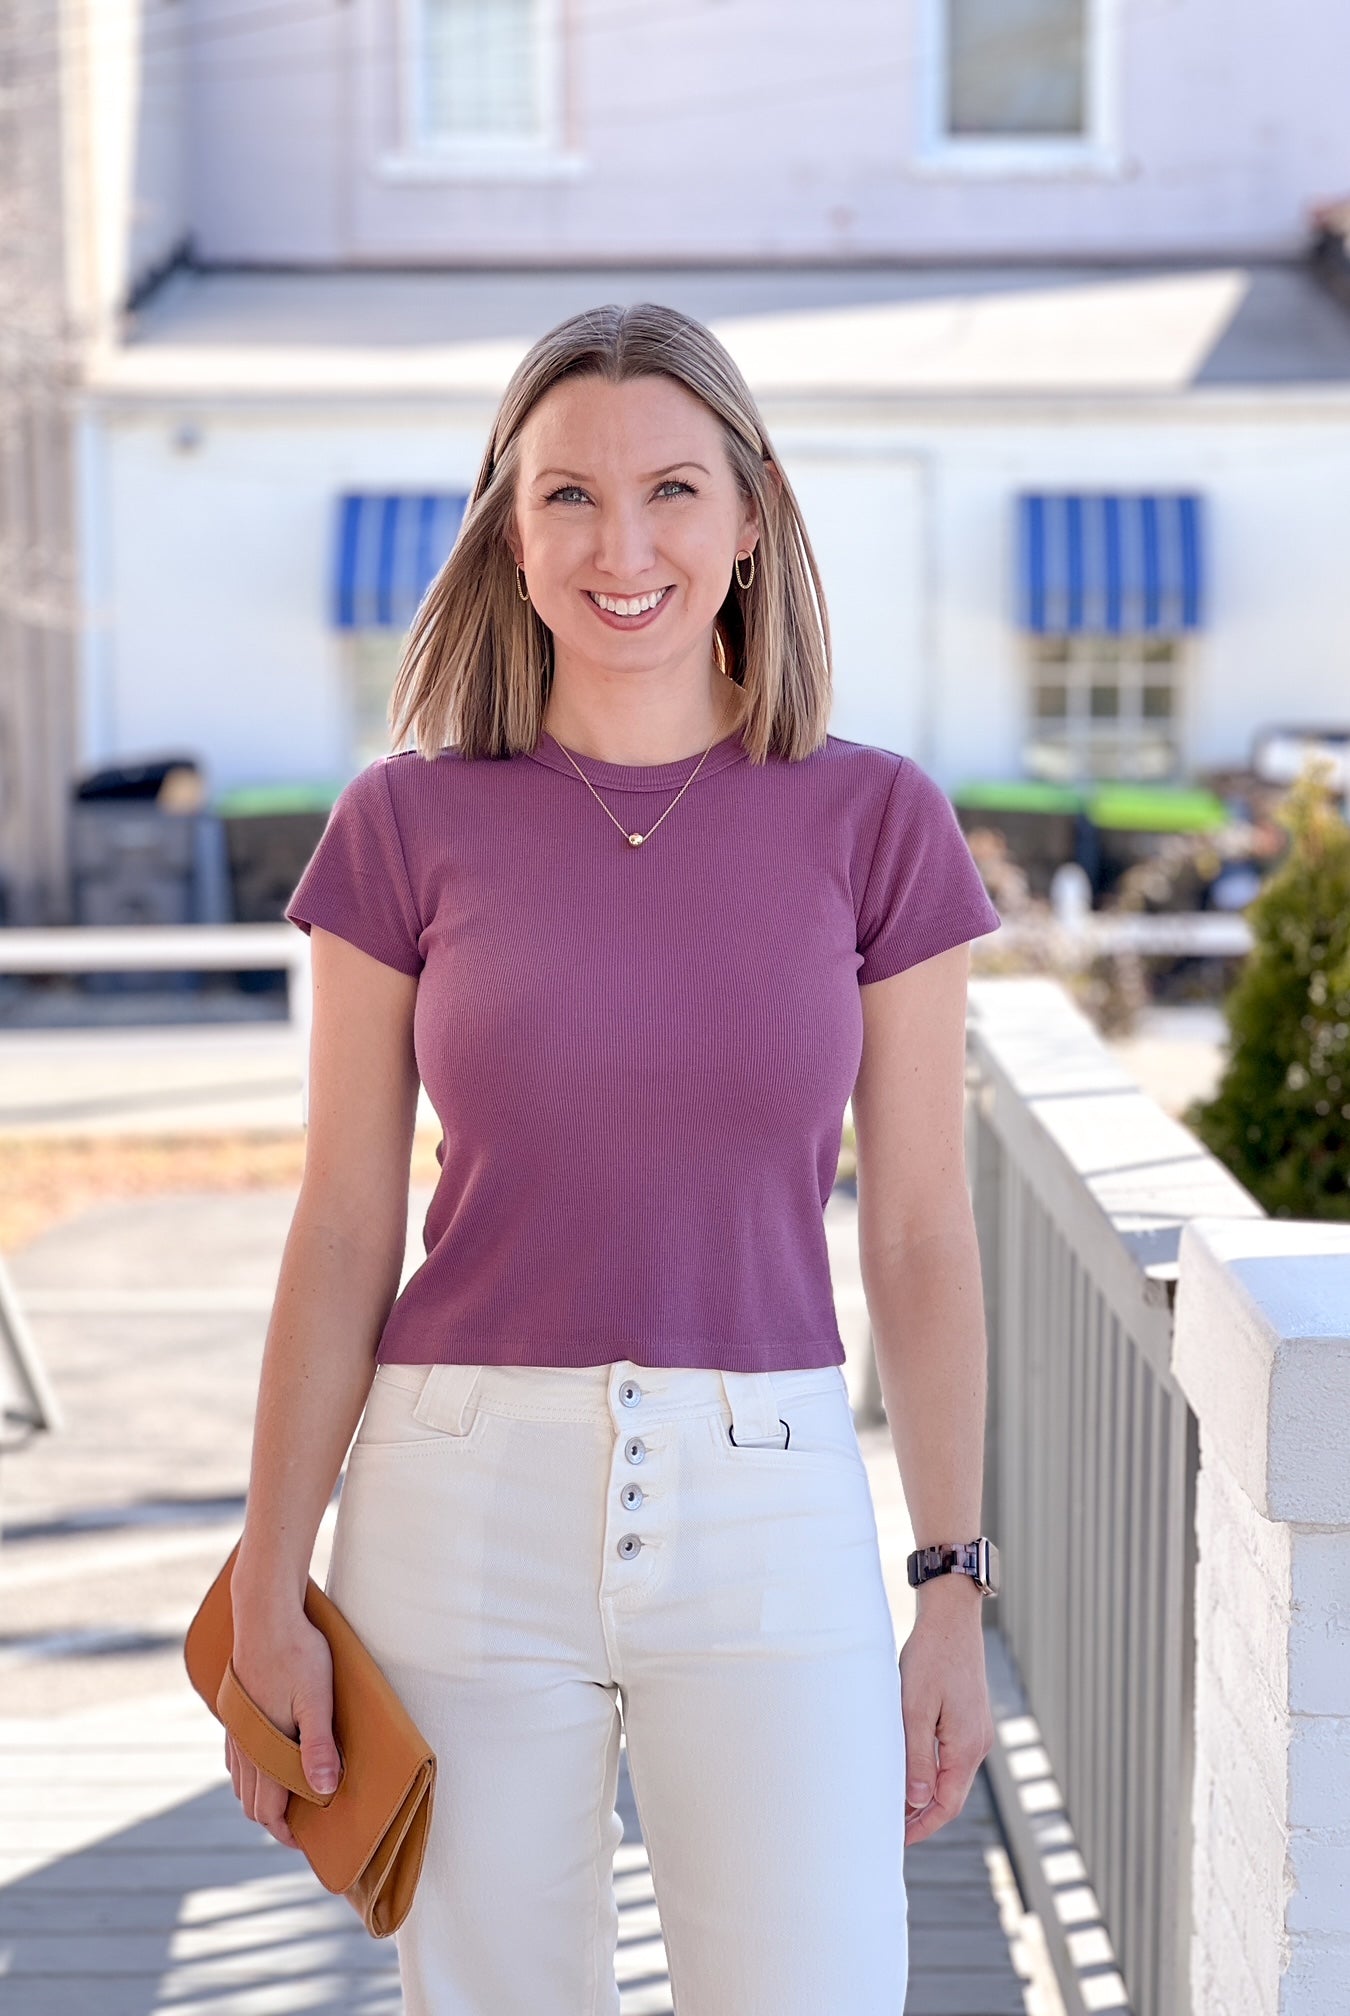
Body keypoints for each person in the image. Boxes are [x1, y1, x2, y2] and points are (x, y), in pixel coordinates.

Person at [225, 300, 1003, 2015]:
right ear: (510, 531)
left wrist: (952, 1589)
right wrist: (268, 1580)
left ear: (751, 518)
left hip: (771, 1499)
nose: (620, 546)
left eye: (671, 490)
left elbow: (919, 1236)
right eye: (567, 494)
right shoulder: (402, 824)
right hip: (453, 1507)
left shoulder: (876, 821)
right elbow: (345, 1224)